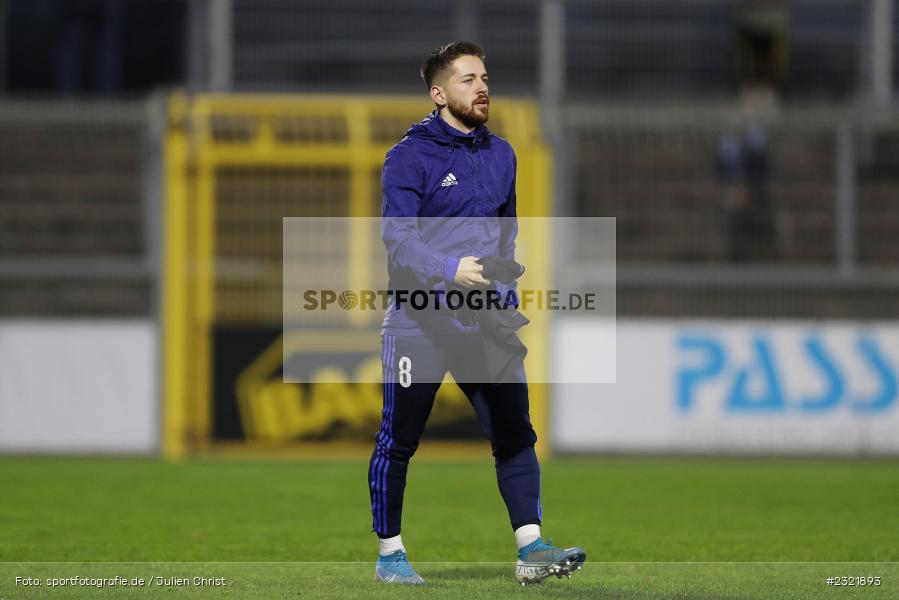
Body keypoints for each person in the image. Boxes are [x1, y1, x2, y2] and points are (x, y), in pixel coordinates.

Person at [368, 41, 586, 586]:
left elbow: (506, 236)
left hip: (483, 319)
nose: (482, 87)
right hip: (420, 320)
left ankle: (531, 550)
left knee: (515, 433)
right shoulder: (408, 156)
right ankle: (390, 555)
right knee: (399, 440)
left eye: (485, 77)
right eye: (467, 79)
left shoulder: (503, 154)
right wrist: (448, 268)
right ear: (439, 93)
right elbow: (397, 239)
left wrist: (504, 299)